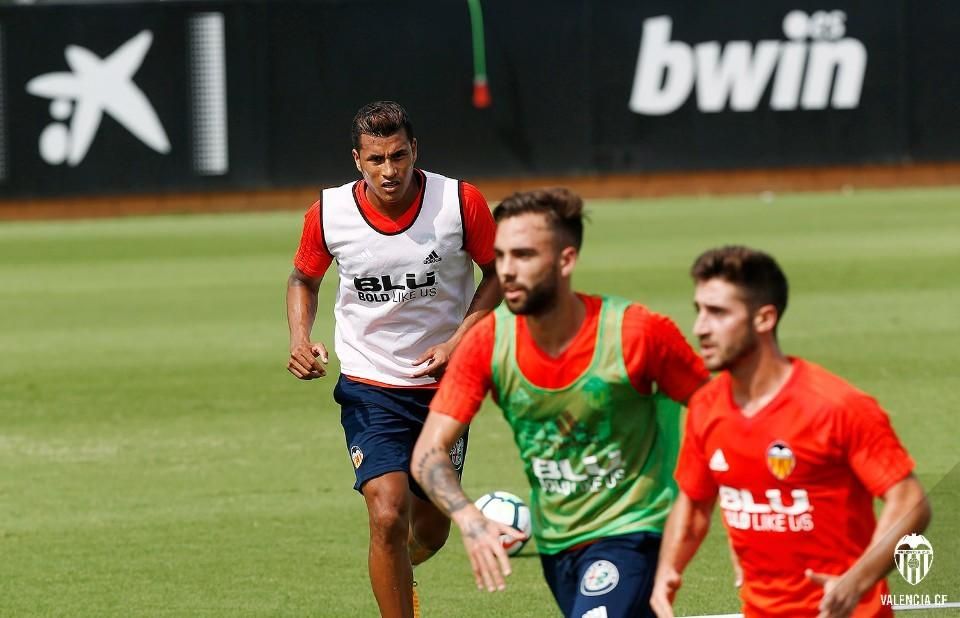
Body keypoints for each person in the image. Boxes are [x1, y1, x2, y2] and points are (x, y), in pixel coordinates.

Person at [410, 188, 710, 618]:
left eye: (525, 255)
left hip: (635, 530)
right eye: (502, 255)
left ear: (566, 260)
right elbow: (428, 453)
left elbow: (716, 408)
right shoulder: (488, 345)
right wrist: (469, 518)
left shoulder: (637, 334)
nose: (507, 271)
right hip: (559, 544)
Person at [286, 101, 501, 618]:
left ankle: (399, 575)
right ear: (357, 159)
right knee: (387, 514)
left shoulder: (459, 201)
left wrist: (458, 342)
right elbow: (303, 279)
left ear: (414, 151)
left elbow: (499, 276)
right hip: (369, 383)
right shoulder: (329, 212)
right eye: (377, 159)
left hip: (443, 386)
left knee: (430, 528)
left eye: (399, 156)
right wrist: (300, 336)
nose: (390, 170)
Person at [650, 246, 931, 618]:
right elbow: (695, 501)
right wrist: (668, 570)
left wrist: (856, 581)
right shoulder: (707, 406)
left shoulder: (835, 406)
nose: (700, 327)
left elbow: (911, 503)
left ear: (764, 319)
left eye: (717, 312)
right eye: (698, 310)